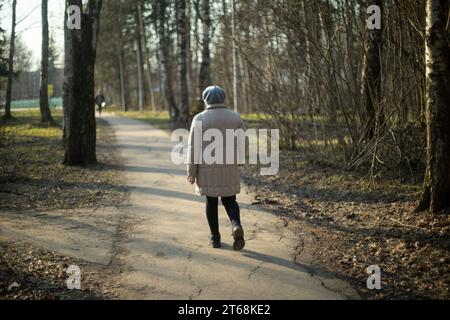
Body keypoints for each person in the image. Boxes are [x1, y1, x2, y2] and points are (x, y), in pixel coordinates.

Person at [187, 85, 245, 251]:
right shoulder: (235, 117)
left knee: (211, 202)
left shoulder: (199, 119)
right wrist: (238, 162)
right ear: (223, 98)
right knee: (230, 200)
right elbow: (243, 143)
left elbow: (193, 148)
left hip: (207, 169)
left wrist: (191, 172)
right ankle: (235, 225)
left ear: (205, 99)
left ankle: (215, 237)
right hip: (229, 167)